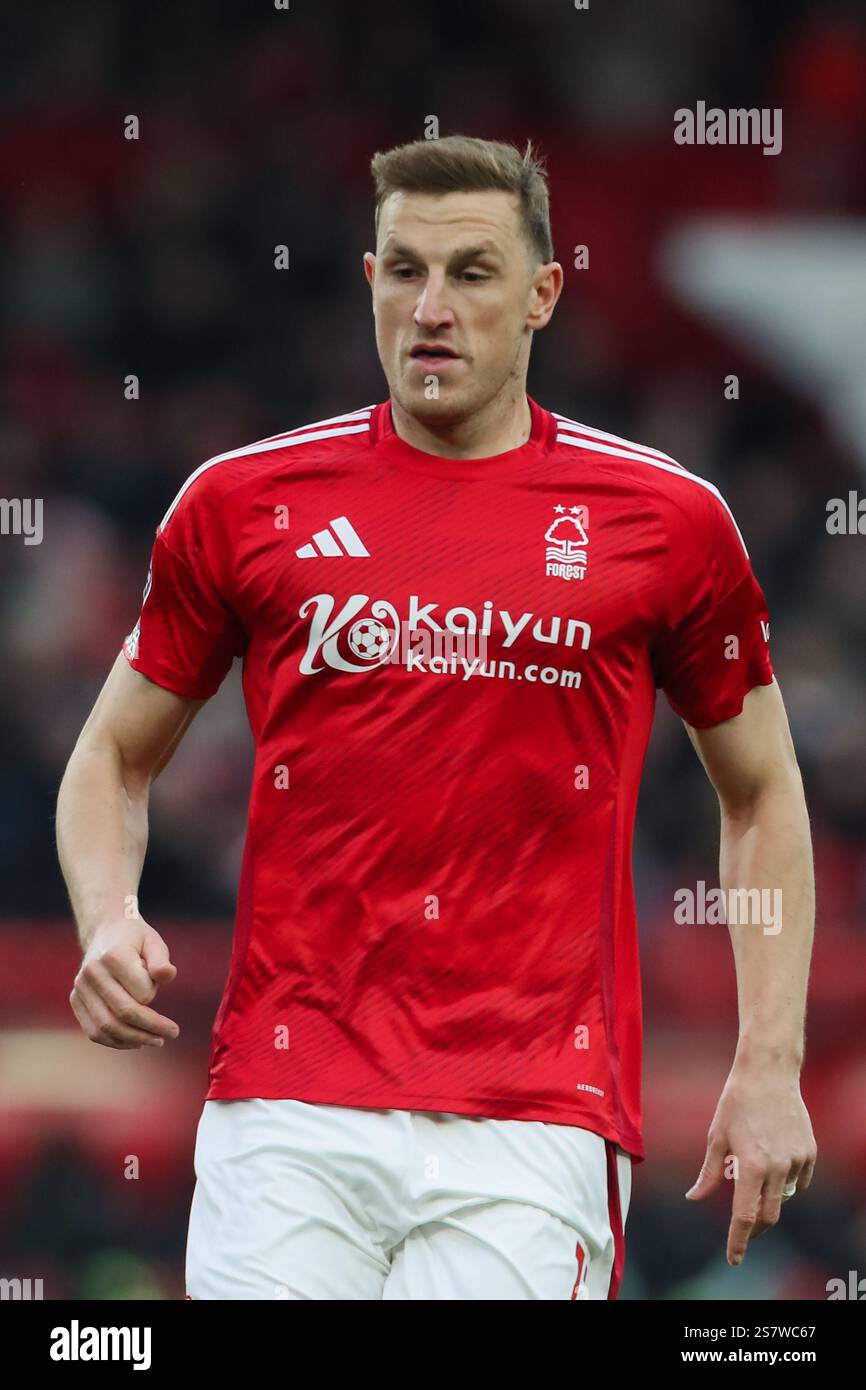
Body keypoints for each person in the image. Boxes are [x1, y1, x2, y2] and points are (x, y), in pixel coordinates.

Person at [56, 134, 816, 1300]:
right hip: (284, 1101)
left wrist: (767, 1061)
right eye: (402, 270)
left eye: (470, 273)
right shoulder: (239, 503)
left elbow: (760, 792)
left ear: (542, 293)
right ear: (367, 282)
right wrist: (108, 915)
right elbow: (110, 754)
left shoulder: (665, 520)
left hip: (532, 1117)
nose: (431, 307)